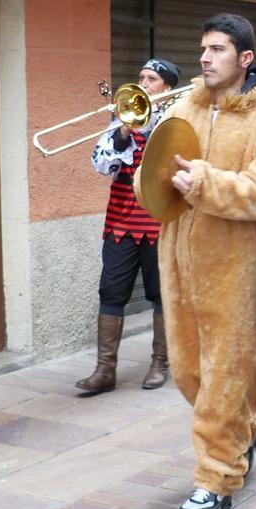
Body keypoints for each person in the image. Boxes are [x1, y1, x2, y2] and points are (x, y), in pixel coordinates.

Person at [134, 13, 256, 509]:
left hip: (239, 264)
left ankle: (217, 478)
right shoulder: (185, 105)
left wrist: (205, 183)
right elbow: (152, 183)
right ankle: (246, 427)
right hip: (179, 258)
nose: (205, 58)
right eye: (203, 49)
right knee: (188, 372)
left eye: (218, 50)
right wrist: (147, 174)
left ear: (245, 59)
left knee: (225, 375)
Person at [79, 59, 181, 394]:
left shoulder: (177, 121)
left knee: (160, 294)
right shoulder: (120, 120)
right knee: (111, 292)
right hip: (121, 222)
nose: (144, 83)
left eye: (151, 79)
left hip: (160, 222)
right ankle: (104, 369)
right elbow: (101, 166)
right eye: (141, 77)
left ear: (166, 87)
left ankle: (159, 363)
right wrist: (123, 131)